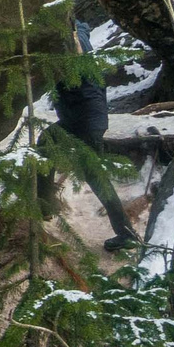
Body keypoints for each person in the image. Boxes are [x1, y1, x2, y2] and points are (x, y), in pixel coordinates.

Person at [47, 21, 139, 252]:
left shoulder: (73, 47)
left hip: (84, 121)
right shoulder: (80, 36)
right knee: (45, 141)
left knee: (96, 177)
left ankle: (126, 234)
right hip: (84, 118)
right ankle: (44, 202)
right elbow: (83, 26)